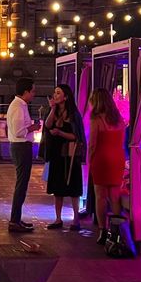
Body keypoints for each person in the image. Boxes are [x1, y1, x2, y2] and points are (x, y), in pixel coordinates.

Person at [87, 86, 127, 245]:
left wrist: (90, 160)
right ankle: (117, 231)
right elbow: (122, 140)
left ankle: (103, 230)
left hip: (101, 158)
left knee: (100, 196)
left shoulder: (96, 119)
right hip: (117, 157)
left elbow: (93, 143)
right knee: (114, 196)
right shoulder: (119, 118)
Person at [43, 83, 85, 231]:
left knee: (73, 187)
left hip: (70, 155)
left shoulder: (74, 114)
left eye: (58, 93)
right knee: (57, 188)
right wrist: (53, 108)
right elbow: (48, 125)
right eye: (55, 93)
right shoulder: (53, 111)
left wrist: (60, 133)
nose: (55, 95)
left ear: (66, 96)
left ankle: (76, 219)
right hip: (56, 154)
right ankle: (58, 218)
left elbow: (76, 136)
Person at [6, 77, 41, 233]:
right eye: (32, 91)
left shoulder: (20, 105)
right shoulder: (18, 107)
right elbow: (19, 131)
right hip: (21, 147)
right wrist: (33, 127)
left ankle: (17, 218)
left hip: (21, 147)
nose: (34, 94)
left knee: (22, 184)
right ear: (25, 91)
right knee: (21, 184)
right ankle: (14, 220)